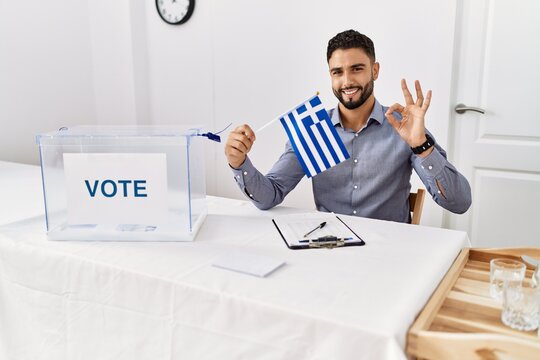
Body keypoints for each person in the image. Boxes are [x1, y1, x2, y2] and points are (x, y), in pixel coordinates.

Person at [224, 29, 471, 223]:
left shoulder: (404, 128)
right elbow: (270, 195)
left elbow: (459, 203)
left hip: (389, 254)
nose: (347, 81)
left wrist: (421, 146)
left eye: (357, 69)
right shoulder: (313, 130)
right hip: (329, 248)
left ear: (375, 71)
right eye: (337, 72)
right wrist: (239, 163)